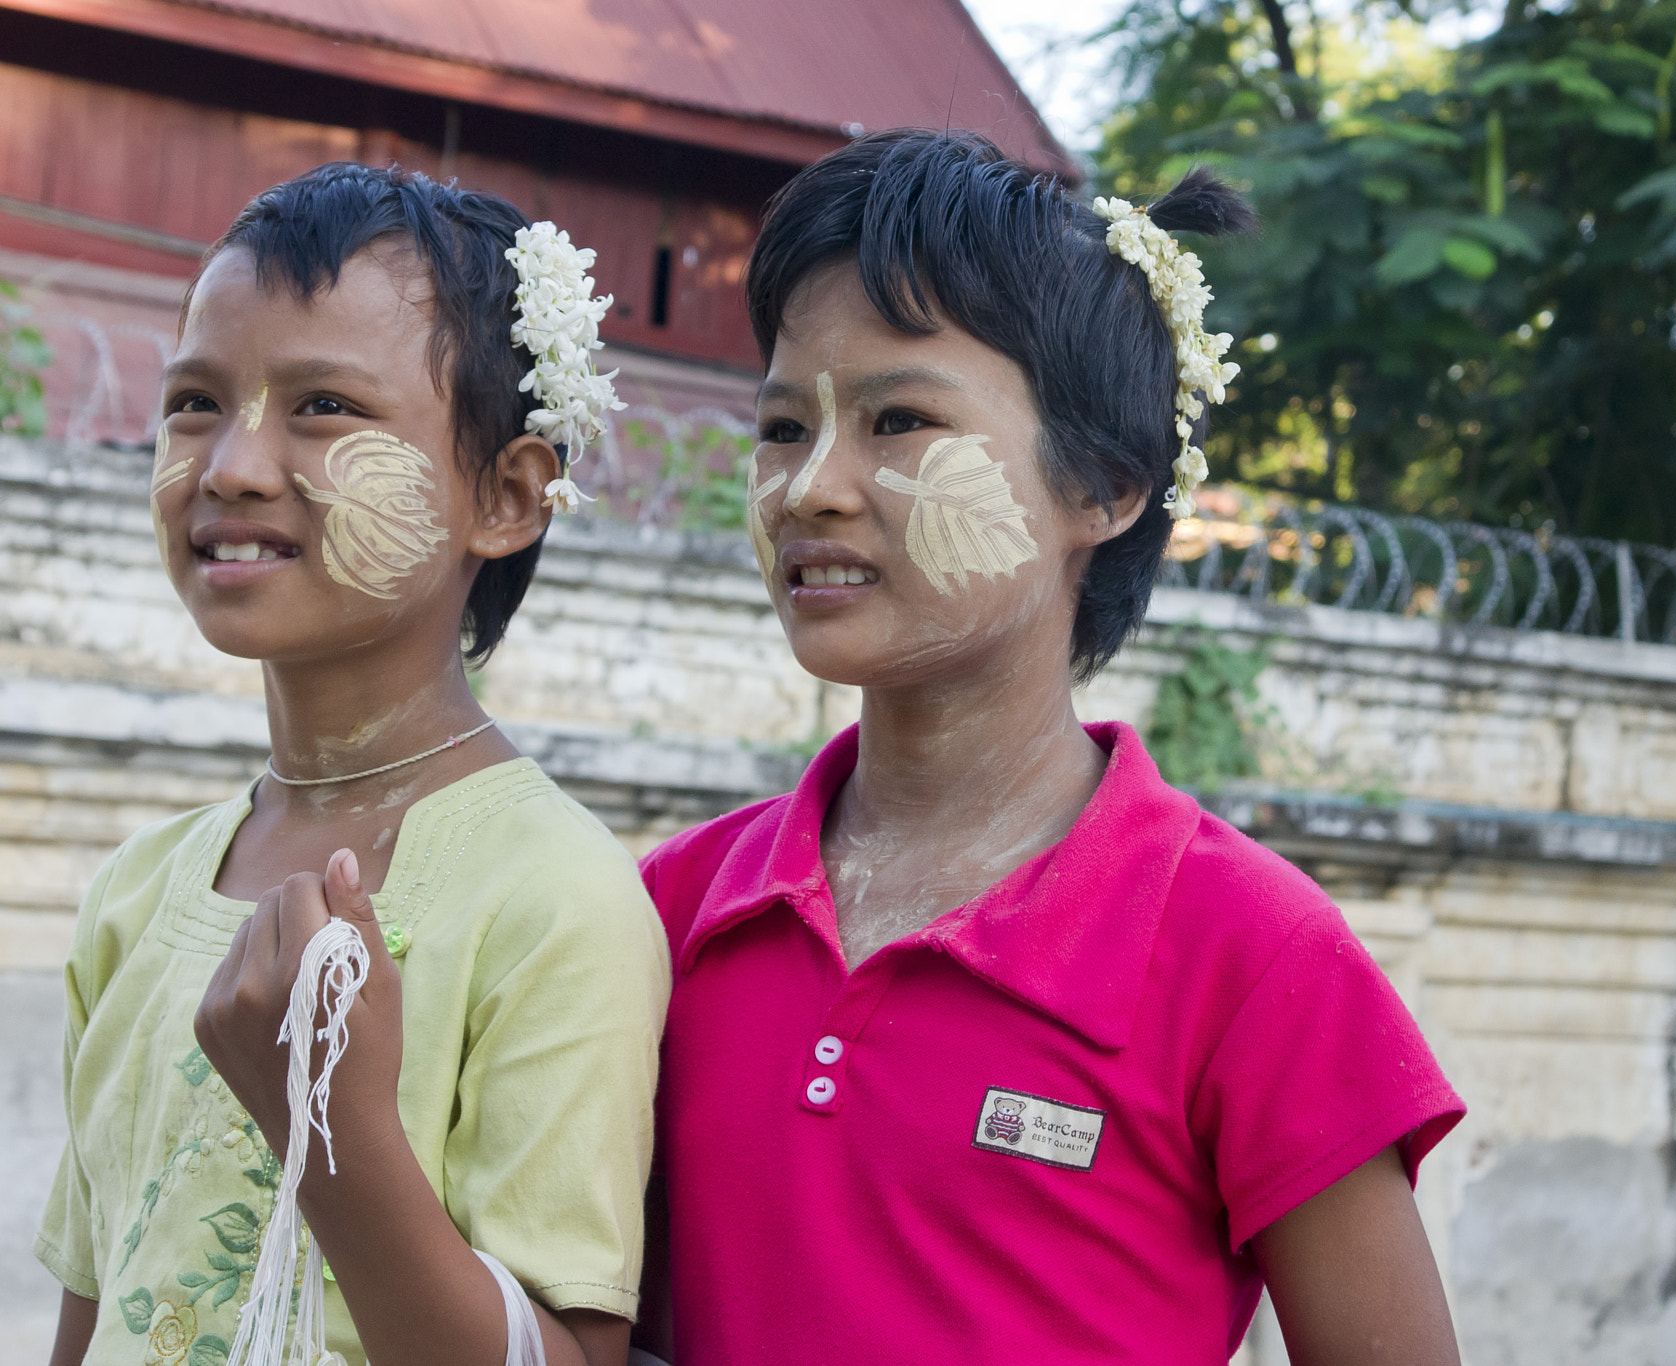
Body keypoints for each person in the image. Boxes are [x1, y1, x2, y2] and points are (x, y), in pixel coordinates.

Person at [636, 130, 1465, 1365]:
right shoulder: (671, 911)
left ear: (1107, 486)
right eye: (779, 426)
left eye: (898, 419)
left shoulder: (1249, 952)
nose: (809, 486)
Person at [38, 163, 667, 1366]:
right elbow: (96, 1303)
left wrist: (322, 1128)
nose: (230, 465)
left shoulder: (553, 901)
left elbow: (569, 1349)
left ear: (507, 493)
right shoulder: (137, 891)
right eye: (193, 401)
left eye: (322, 406)